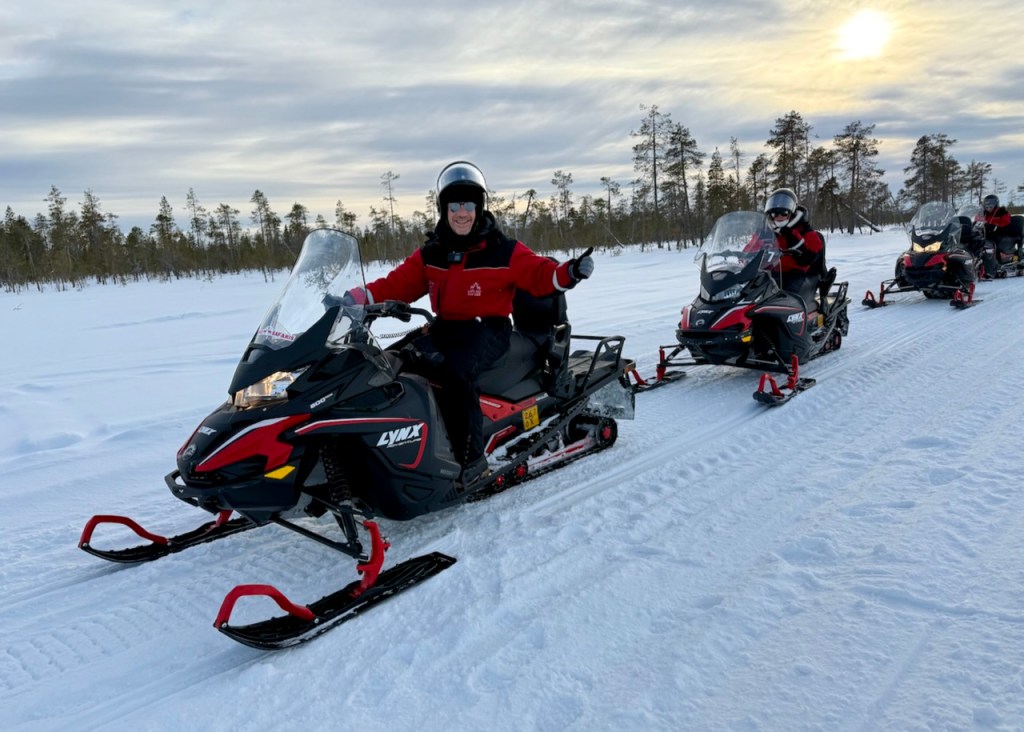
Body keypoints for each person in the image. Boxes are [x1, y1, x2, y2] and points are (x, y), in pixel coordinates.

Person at [346, 160, 594, 484]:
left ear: (478, 208)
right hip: (446, 326)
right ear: (444, 209)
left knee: (455, 373)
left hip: (488, 329)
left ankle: (472, 461)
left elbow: (539, 273)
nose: (461, 212)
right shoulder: (433, 253)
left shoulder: (502, 250)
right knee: (397, 360)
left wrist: (569, 273)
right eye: (454, 205)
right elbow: (397, 283)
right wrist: (357, 298)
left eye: (468, 205)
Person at [763, 188, 826, 304]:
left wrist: (791, 235)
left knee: (787, 299)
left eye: (784, 213)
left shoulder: (806, 232)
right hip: (771, 273)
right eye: (775, 213)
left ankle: (791, 319)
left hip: (796, 273)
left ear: (791, 213)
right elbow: (751, 249)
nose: (779, 216)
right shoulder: (765, 232)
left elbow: (809, 256)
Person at [978, 194, 1014, 278]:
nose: (988, 205)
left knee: (992, 243)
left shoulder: (1002, 212)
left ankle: (994, 265)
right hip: (986, 233)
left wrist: (995, 225)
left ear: (996, 203)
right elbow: (977, 220)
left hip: (1000, 233)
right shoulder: (983, 213)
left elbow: (1006, 222)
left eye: (990, 203)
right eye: (986, 203)